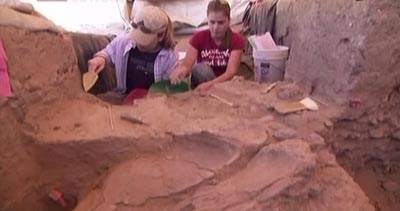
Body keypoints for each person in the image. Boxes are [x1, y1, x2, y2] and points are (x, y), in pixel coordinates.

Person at [87, 5, 178, 102]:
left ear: (160, 35)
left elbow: (171, 88)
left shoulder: (169, 57)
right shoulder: (124, 41)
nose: (138, 42)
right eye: (136, 36)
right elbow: (108, 51)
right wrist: (101, 57)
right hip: (123, 96)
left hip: (152, 102)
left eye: (143, 39)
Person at [170, 0, 246, 91]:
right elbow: (187, 63)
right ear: (207, 20)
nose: (216, 27)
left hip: (224, 83)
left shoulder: (237, 40)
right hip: (202, 81)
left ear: (229, 21)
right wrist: (181, 70)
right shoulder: (199, 37)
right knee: (200, 68)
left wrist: (210, 85)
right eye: (212, 22)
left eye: (221, 23)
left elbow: (230, 72)